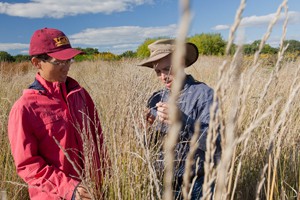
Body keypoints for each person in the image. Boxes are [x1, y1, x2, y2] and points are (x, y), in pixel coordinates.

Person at [8, 28, 107, 200]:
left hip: (92, 193)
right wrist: (69, 188)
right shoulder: (24, 108)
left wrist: (102, 179)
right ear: (37, 63)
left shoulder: (80, 94)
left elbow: (97, 139)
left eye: (69, 60)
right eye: (59, 62)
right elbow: (28, 165)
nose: (66, 67)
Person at [138, 39, 221, 199]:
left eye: (168, 69)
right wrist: (145, 129)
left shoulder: (204, 95)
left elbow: (216, 143)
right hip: (165, 184)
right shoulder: (156, 98)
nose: (163, 77)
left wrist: (183, 121)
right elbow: (150, 147)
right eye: (157, 71)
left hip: (197, 185)